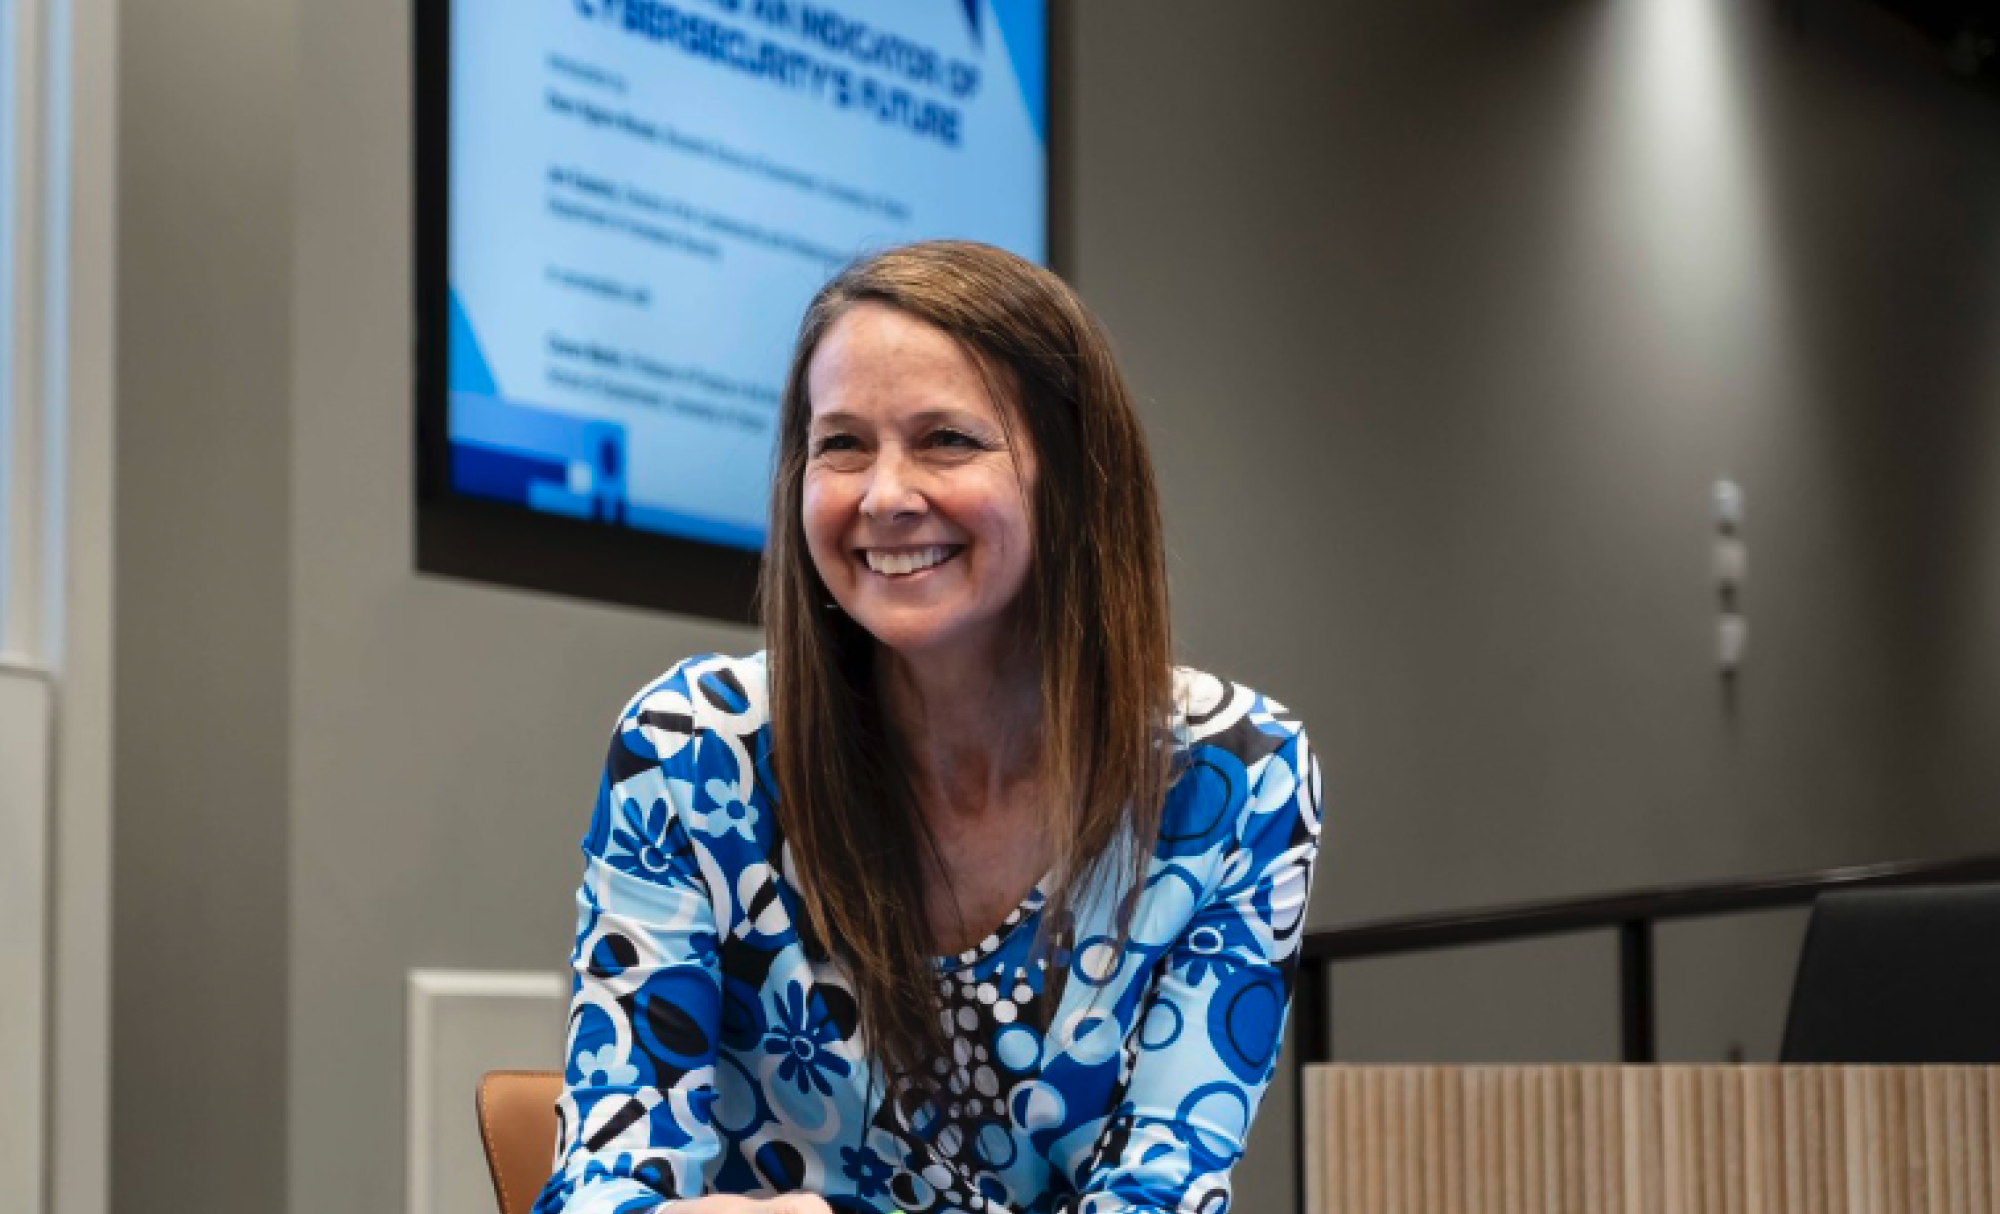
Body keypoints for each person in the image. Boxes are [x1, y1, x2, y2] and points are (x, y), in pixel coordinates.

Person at [535, 241, 1322, 1214]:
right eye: (841, 443)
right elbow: (603, 1182)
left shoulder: (1237, 774)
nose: (885, 494)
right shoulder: (692, 751)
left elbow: (1159, 1192)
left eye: (947, 438)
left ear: (1072, 477)